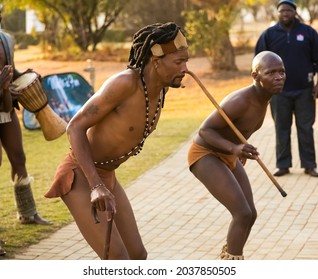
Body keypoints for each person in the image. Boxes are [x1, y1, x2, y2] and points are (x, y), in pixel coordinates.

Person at [45, 22, 189, 260]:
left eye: (186, 61)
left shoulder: (160, 89)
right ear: (156, 61)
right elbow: (75, 127)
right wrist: (95, 185)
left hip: (107, 178)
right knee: (118, 260)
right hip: (81, 177)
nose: (186, 69)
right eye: (178, 62)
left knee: (137, 255)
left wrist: (103, 183)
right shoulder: (124, 83)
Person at [188, 51, 286, 260]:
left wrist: (240, 146)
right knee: (242, 213)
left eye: (281, 72)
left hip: (227, 154)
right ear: (255, 76)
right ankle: (232, 263)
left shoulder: (264, 98)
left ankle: (229, 255)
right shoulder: (241, 100)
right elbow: (205, 131)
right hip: (205, 154)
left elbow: (240, 128)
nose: (278, 77)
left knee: (250, 214)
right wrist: (234, 149)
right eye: (271, 73)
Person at [255, 0, 318, 177]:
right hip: (278, 92)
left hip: (304, 90)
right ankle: (283, 165)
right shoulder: (269, 34)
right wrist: (262, 90)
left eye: (289, 10)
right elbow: (257, 63)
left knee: (305, 128)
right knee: (281, 127)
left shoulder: (308, 33)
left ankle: (309, 165)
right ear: (278, 13)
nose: (285, 13)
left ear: (294, 12)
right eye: (282, 10)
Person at [0, 8, 51, 225]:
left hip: (6, 106)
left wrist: (25, 75)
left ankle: (28, 213)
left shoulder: (6, 39)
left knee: (19, 158)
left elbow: (9, 69)